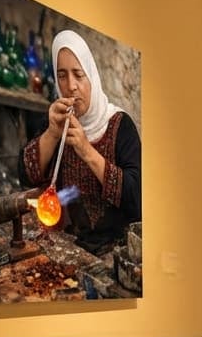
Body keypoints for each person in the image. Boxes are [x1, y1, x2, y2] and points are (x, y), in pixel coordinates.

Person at [19, 29, 141, 254]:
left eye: (78, 74)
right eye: (62, 76)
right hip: (65, 245)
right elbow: (26, 176)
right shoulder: (56, 120)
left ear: (91, 76)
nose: (71, 86)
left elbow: (136, 199)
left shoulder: (120, 125)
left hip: (113, 251)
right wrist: (52, 134)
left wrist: (86, 150)